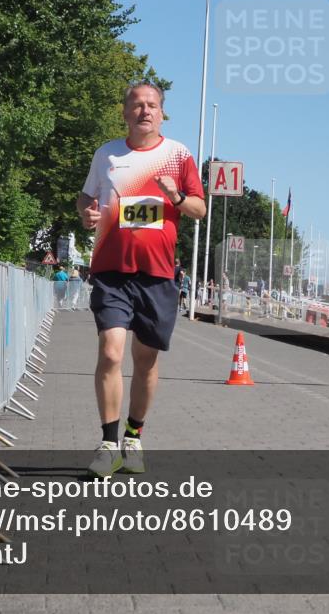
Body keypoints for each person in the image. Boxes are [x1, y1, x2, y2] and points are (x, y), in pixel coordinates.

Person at [77, 82, 206, 477]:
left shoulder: (178, 155)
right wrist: (86, 213)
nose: (144, 111)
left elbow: (199, 210)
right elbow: (85, 197)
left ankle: (133, 436)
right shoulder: (107, 153)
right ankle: (108, 444)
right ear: (125, 112)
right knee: (111, 352)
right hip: (112, 270)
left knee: (146, 361)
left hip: (157, 274)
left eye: (152, 105)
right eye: (137, 105)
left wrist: (177, 197)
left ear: (162, 113)